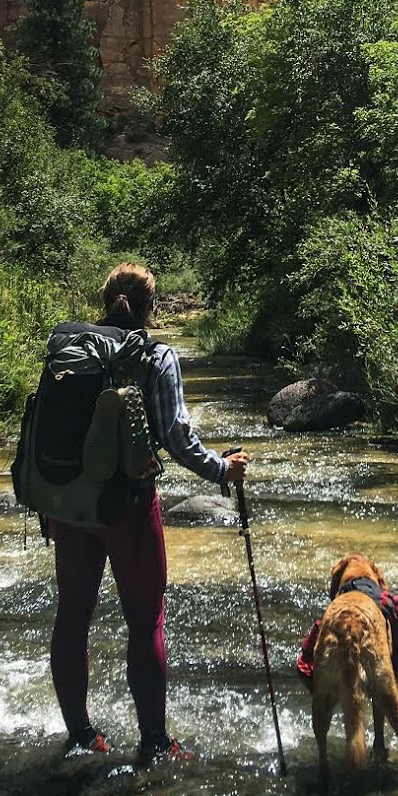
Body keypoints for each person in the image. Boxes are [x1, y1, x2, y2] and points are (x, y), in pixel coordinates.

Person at [48, 261, 248, 763]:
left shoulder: (71, 349)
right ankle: (155, 742)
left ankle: (80, 736)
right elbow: (177, 438)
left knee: (73, 616)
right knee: (146, 619)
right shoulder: (156, 356)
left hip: (68, 502)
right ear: (150, 307)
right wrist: (221, 469)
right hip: (127, 504)